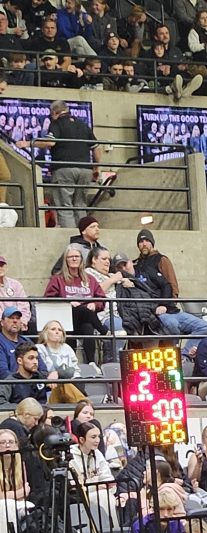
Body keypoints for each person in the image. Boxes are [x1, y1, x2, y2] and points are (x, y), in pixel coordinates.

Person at [14, 100, 101, 228]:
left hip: (64, 169)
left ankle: (70, 237)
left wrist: (28, 143)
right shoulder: (82, 124)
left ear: (55, 112)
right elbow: (97, 147)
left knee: (64, 206)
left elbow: (50, 142)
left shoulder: (57, 123)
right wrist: (97, 168)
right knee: (80, 205)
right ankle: (84, 238)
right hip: (85, 170)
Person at [44, 247, 108, 364]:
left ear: (81, 260)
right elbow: (48, 300)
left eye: (77, 256)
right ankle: (104, 332)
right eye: (70, 257)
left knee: (88, 326)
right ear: (66, 260)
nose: (74, 259)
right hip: (65, 319)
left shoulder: (90, 279)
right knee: (81, 310)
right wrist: (66, 303)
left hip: (84, 319)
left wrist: (95, 304)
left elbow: (102, 299)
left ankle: (91, 363)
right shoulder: (57, 279)